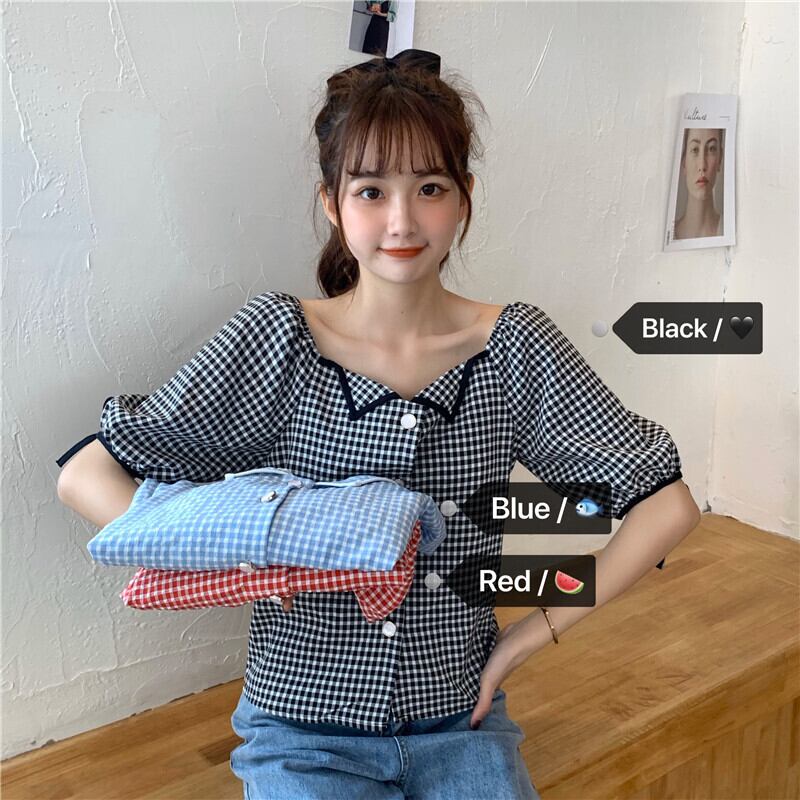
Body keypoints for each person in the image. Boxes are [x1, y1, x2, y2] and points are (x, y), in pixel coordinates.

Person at [56, 49, 701, 800]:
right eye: (371, 191)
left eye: (430, 188)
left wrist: (530, 635)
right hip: (302, 733)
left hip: (461, 723)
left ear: (463, 198)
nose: (402, 221)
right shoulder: (278, 339)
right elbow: (87, 473)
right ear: (333, 204)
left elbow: (667, 505)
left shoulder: (514, 347)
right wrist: (241, 559)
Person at [674, 127, 724, 239]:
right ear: (684, 161)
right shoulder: (665, 233)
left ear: (720, 159)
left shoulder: (732, 229)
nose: (702, 165)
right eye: (695, 150)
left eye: (711, 149)